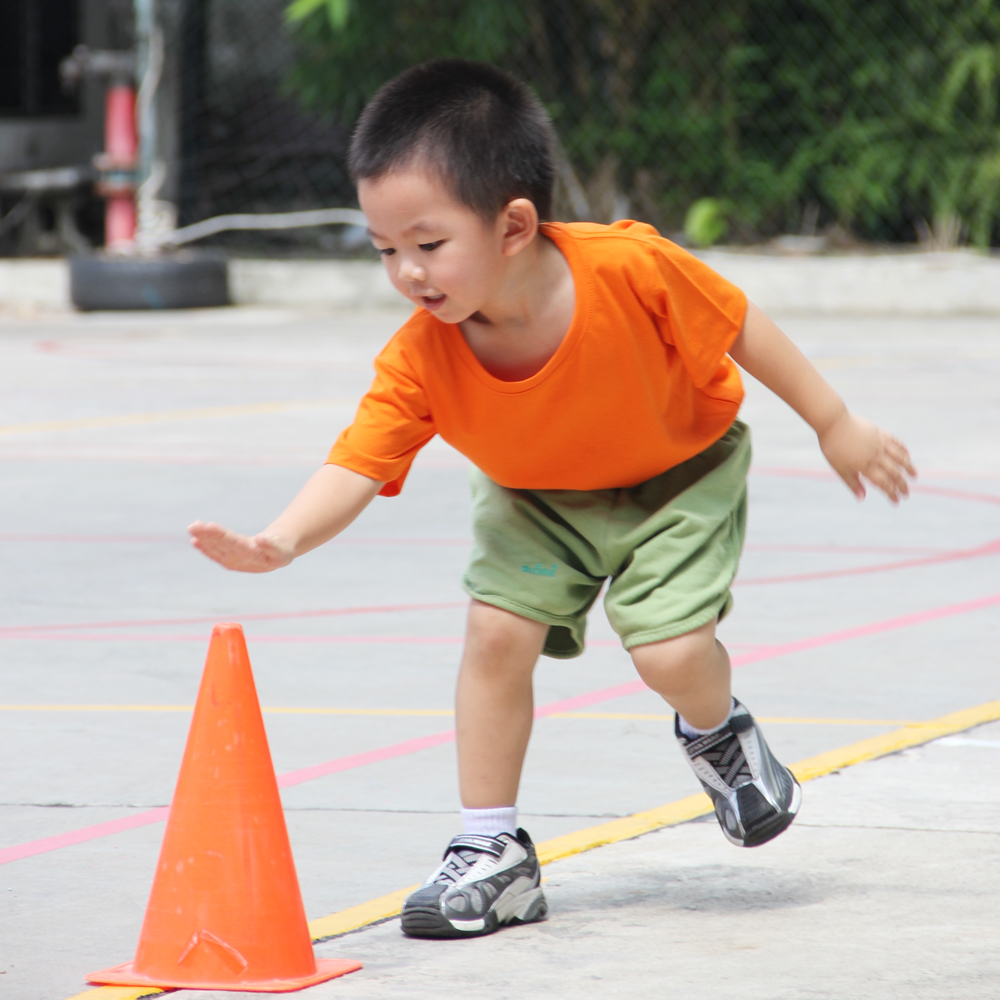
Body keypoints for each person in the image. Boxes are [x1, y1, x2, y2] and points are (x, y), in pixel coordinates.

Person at [189, 59, 916, 940]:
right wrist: (283, 540)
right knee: (495, 634)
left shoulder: (631, 268)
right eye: (386, 250)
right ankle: (491, 852)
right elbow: (356, 462)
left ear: (514, 226)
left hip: (678, 478)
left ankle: (718, 731)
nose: (408, 273)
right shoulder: (423, 353)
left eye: (427, 244)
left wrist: (833, 420)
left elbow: (740, 326)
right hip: (533, 497)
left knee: (670, 654)